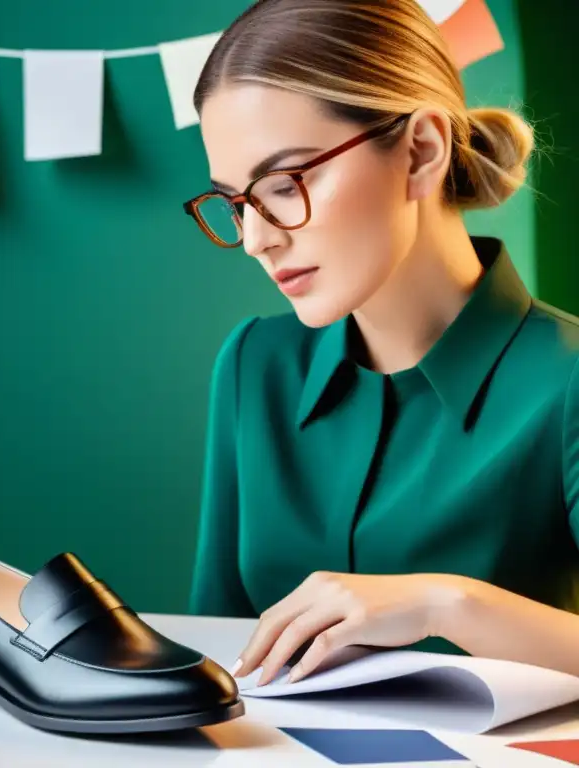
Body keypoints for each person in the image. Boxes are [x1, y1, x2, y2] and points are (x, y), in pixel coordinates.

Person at [185, 0, 579, 687]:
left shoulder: (566, 380)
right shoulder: (255, 365)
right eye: (238, 202)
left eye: (286, 184)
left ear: (421, 152)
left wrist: (443, 602)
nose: (256, 239)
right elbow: (213, 649)